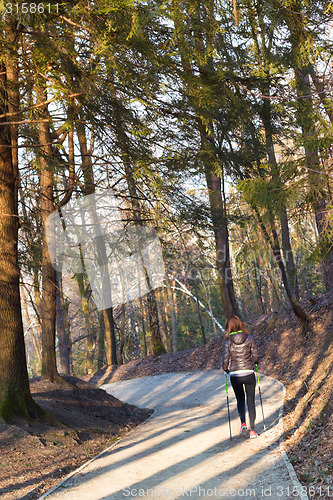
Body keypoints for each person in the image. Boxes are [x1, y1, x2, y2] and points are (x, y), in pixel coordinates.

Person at [222, 315, 259, 438]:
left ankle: (243, 423)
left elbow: (226, 359)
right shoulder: (249, 338)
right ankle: (252, 430)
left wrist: (225, 368)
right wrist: (256, 362)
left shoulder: (228, 342)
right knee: (251, 401)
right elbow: (255, 356)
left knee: (240, 400)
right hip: (248, 373)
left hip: (235, 375)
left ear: (229, 327)